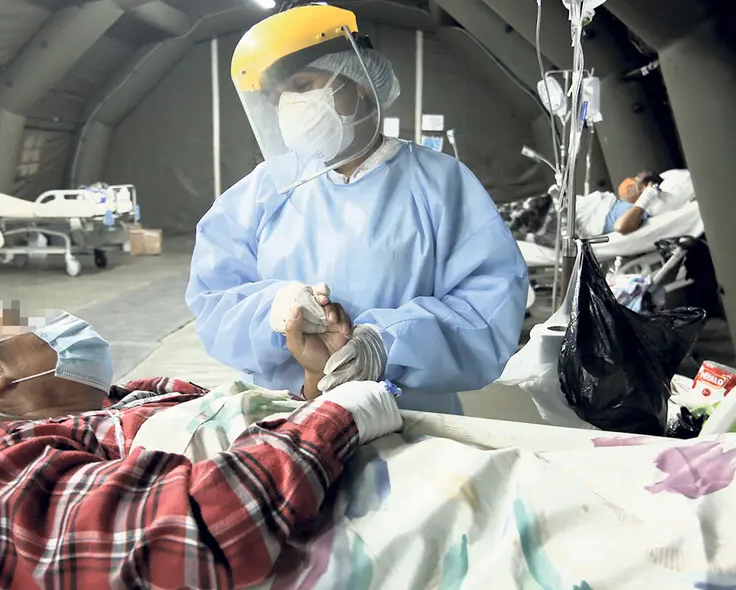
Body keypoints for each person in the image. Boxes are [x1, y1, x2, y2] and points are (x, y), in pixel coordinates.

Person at [0, 305, 399, 588]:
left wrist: (318, 384)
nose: (65, 320)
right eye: (33, 325)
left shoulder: (143, 397)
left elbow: (264, 442)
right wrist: (337, 417)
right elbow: (190, 536)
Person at [186, 4, 529, 415]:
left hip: (411, 419)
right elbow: (214, 298)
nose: (289, 106)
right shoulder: (266, 188)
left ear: (359, 83)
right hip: (286, 413)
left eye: (302, 84)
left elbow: (487, 306)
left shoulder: (441, 184)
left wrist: (384, 345)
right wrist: (275, 308)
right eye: (279, 97)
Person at [606, 170, 664, 235]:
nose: (628, 181)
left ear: (643, 188)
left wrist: (647, 195)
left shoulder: (634, 210)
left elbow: (620, 227)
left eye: (635, 179)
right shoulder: (614, 202)